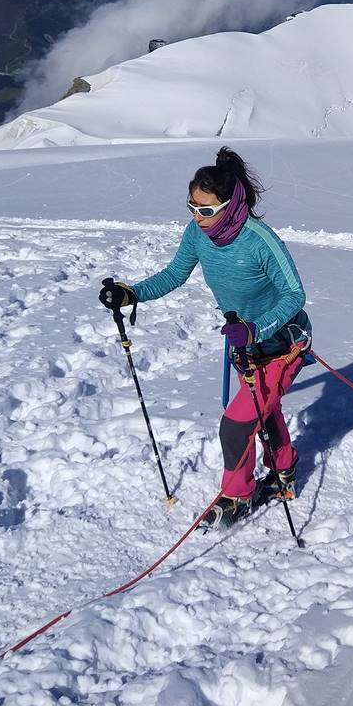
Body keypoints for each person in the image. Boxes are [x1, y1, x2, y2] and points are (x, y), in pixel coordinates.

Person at [100, 147, 312, 528]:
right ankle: (286, 472)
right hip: (244, 346)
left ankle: (237, 496)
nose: (198, 217)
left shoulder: (260, 240)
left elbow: (295, 295)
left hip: (282, 345)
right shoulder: (197, 234)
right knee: (263, 412)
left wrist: (254, 329)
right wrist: (130, 293)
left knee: (235, 425)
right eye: (192, 207)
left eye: (206, 209)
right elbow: (174, 274)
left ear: (229, 205)